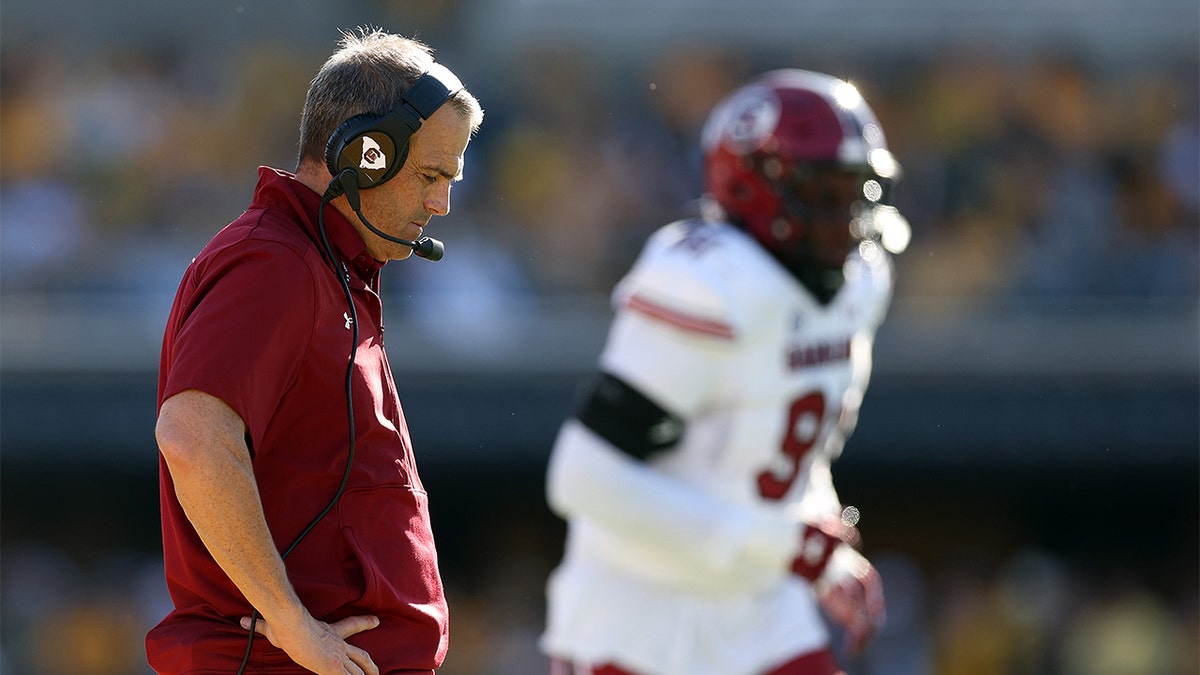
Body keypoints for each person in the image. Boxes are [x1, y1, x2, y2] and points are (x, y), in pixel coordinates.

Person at [541, 69, 910, 675]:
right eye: (826, 195)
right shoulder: (710, 285)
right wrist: (779, 547)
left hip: (760, 608)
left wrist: (820, 554)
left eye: (857, 193)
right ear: (755, 190)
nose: (848, 216)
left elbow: (786, 453)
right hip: (641, 622)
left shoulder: (860, 282)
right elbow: (584, 478)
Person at [149, 27, 483, 675]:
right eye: (430, 175)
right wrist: (292, 622)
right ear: (365, 155)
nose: (442, 203)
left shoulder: (321, 266)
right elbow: (192, 434)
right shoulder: (275, 263)